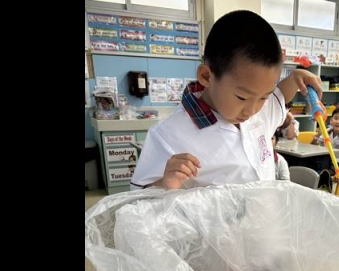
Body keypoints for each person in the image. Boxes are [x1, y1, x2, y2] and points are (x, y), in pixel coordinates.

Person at [130, 10, 322, 190]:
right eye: (242, 97)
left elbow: (280, 96)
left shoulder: (261, 110)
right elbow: (138, 199)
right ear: (206, 76)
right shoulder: (167, 135)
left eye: (264, 97)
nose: (251, 111)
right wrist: (164, 183)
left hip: (265, 213)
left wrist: (296, 78)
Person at [311, 107, 339, 177]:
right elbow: (313, 146)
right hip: (325, 161)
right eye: (336, 118)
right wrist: (316, 138)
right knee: (309, 168)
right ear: (331, 120)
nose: (338, 122)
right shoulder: (327, 131)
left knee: (319, 174)